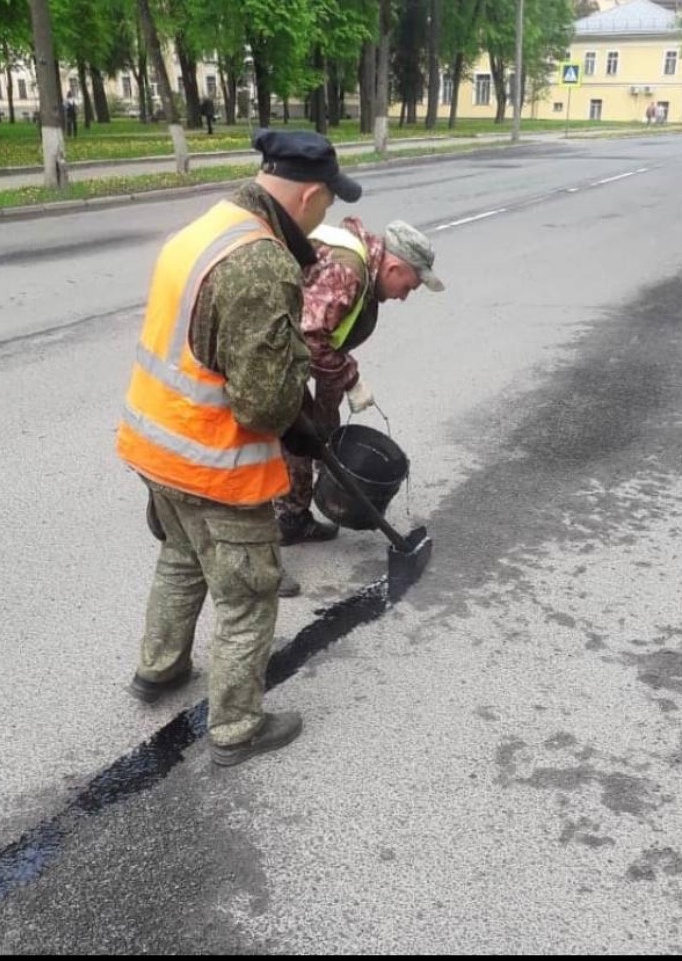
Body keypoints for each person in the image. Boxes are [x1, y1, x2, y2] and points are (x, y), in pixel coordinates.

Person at [116, 128, 362, 766]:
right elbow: (262, 406)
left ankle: (159, 667)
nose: (325, 214)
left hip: (155, 443)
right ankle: (235, 729)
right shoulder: (260, 262)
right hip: (211, 463)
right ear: (309, 195)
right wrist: (299, 395)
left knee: (180, 559)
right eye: (328, 202)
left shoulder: (207, 226)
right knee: (248, 595)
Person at [273, 218, 444, 577]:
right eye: (408, 286)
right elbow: (311, 341)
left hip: (285, 352)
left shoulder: (363, 267)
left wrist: (327, 419)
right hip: (267, 351)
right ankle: (260, 555)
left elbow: (324, 339)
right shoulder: (348, 271)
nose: (404, 296)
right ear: (394, 267)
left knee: (312, 432)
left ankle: (293, 516)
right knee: (284, 437)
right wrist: (350, 378)